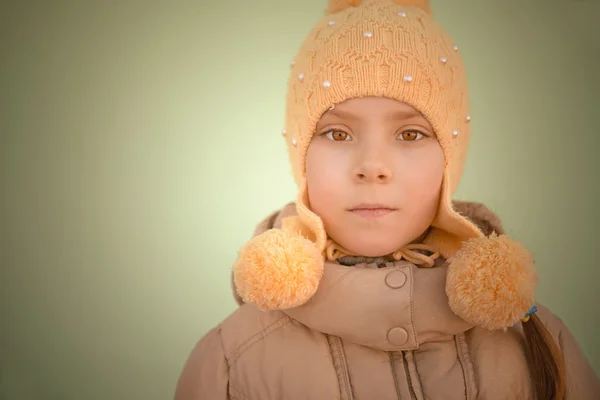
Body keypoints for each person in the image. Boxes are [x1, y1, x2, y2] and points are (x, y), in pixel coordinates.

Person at [174, 0, 600, 398]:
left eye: (410, 134)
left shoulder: (538, 342)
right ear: (300, 155)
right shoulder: (232, 360)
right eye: (337, 134)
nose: (373, 166)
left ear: (451, 157)